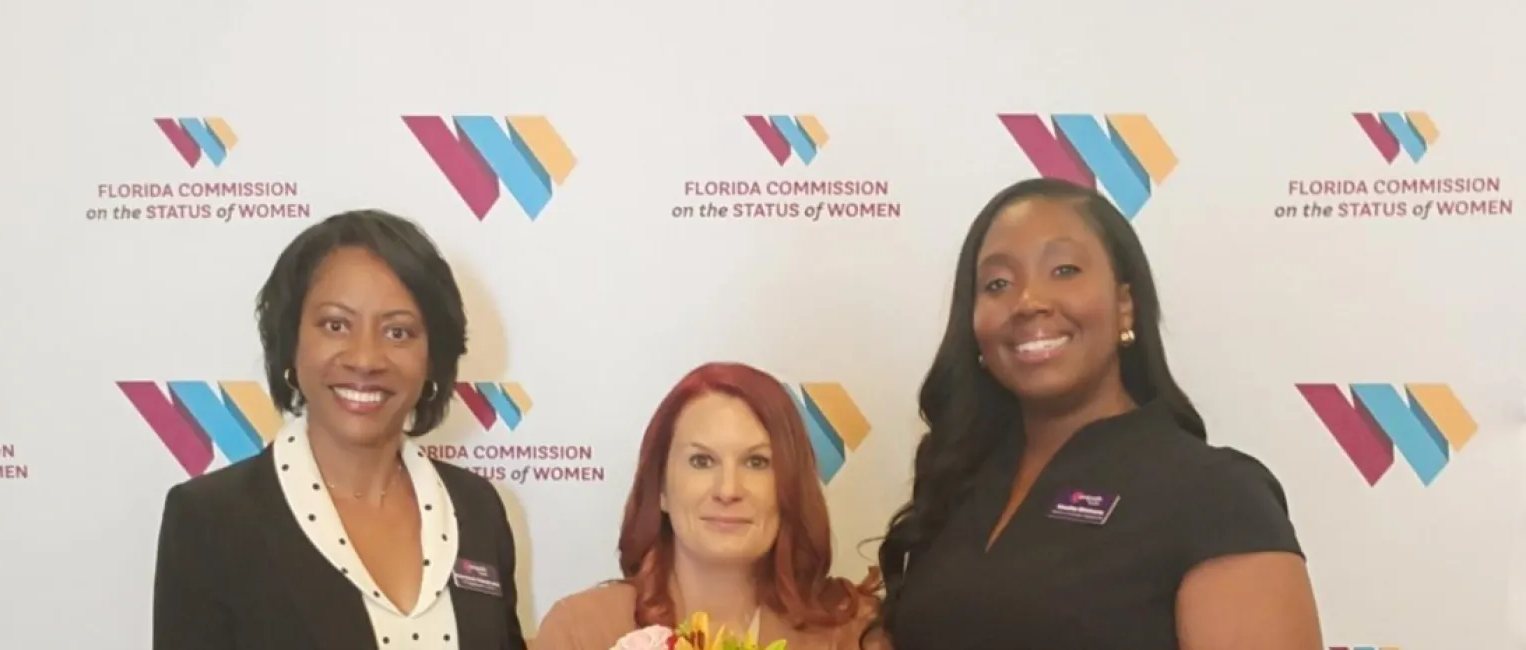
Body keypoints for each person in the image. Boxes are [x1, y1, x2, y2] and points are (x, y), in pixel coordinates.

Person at [865, 178, 1324, 650]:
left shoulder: (1216, 494)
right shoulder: (958, 487)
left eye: (1063, 270)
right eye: (998, 284)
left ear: (1125, 306)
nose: (1028, 302)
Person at [151, 209, 527, 650]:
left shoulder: (477, 509)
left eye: (398, 332)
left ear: (432, 357)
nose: (365, 359)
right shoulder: (212, 520)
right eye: (336, 325)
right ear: (291, 342)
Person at [532, 362, 879, 650]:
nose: (728, 490)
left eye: (756, 462)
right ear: (660, 488)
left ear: (790, 485)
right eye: (701, 461)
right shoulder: (579, 631)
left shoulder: (855, 630)